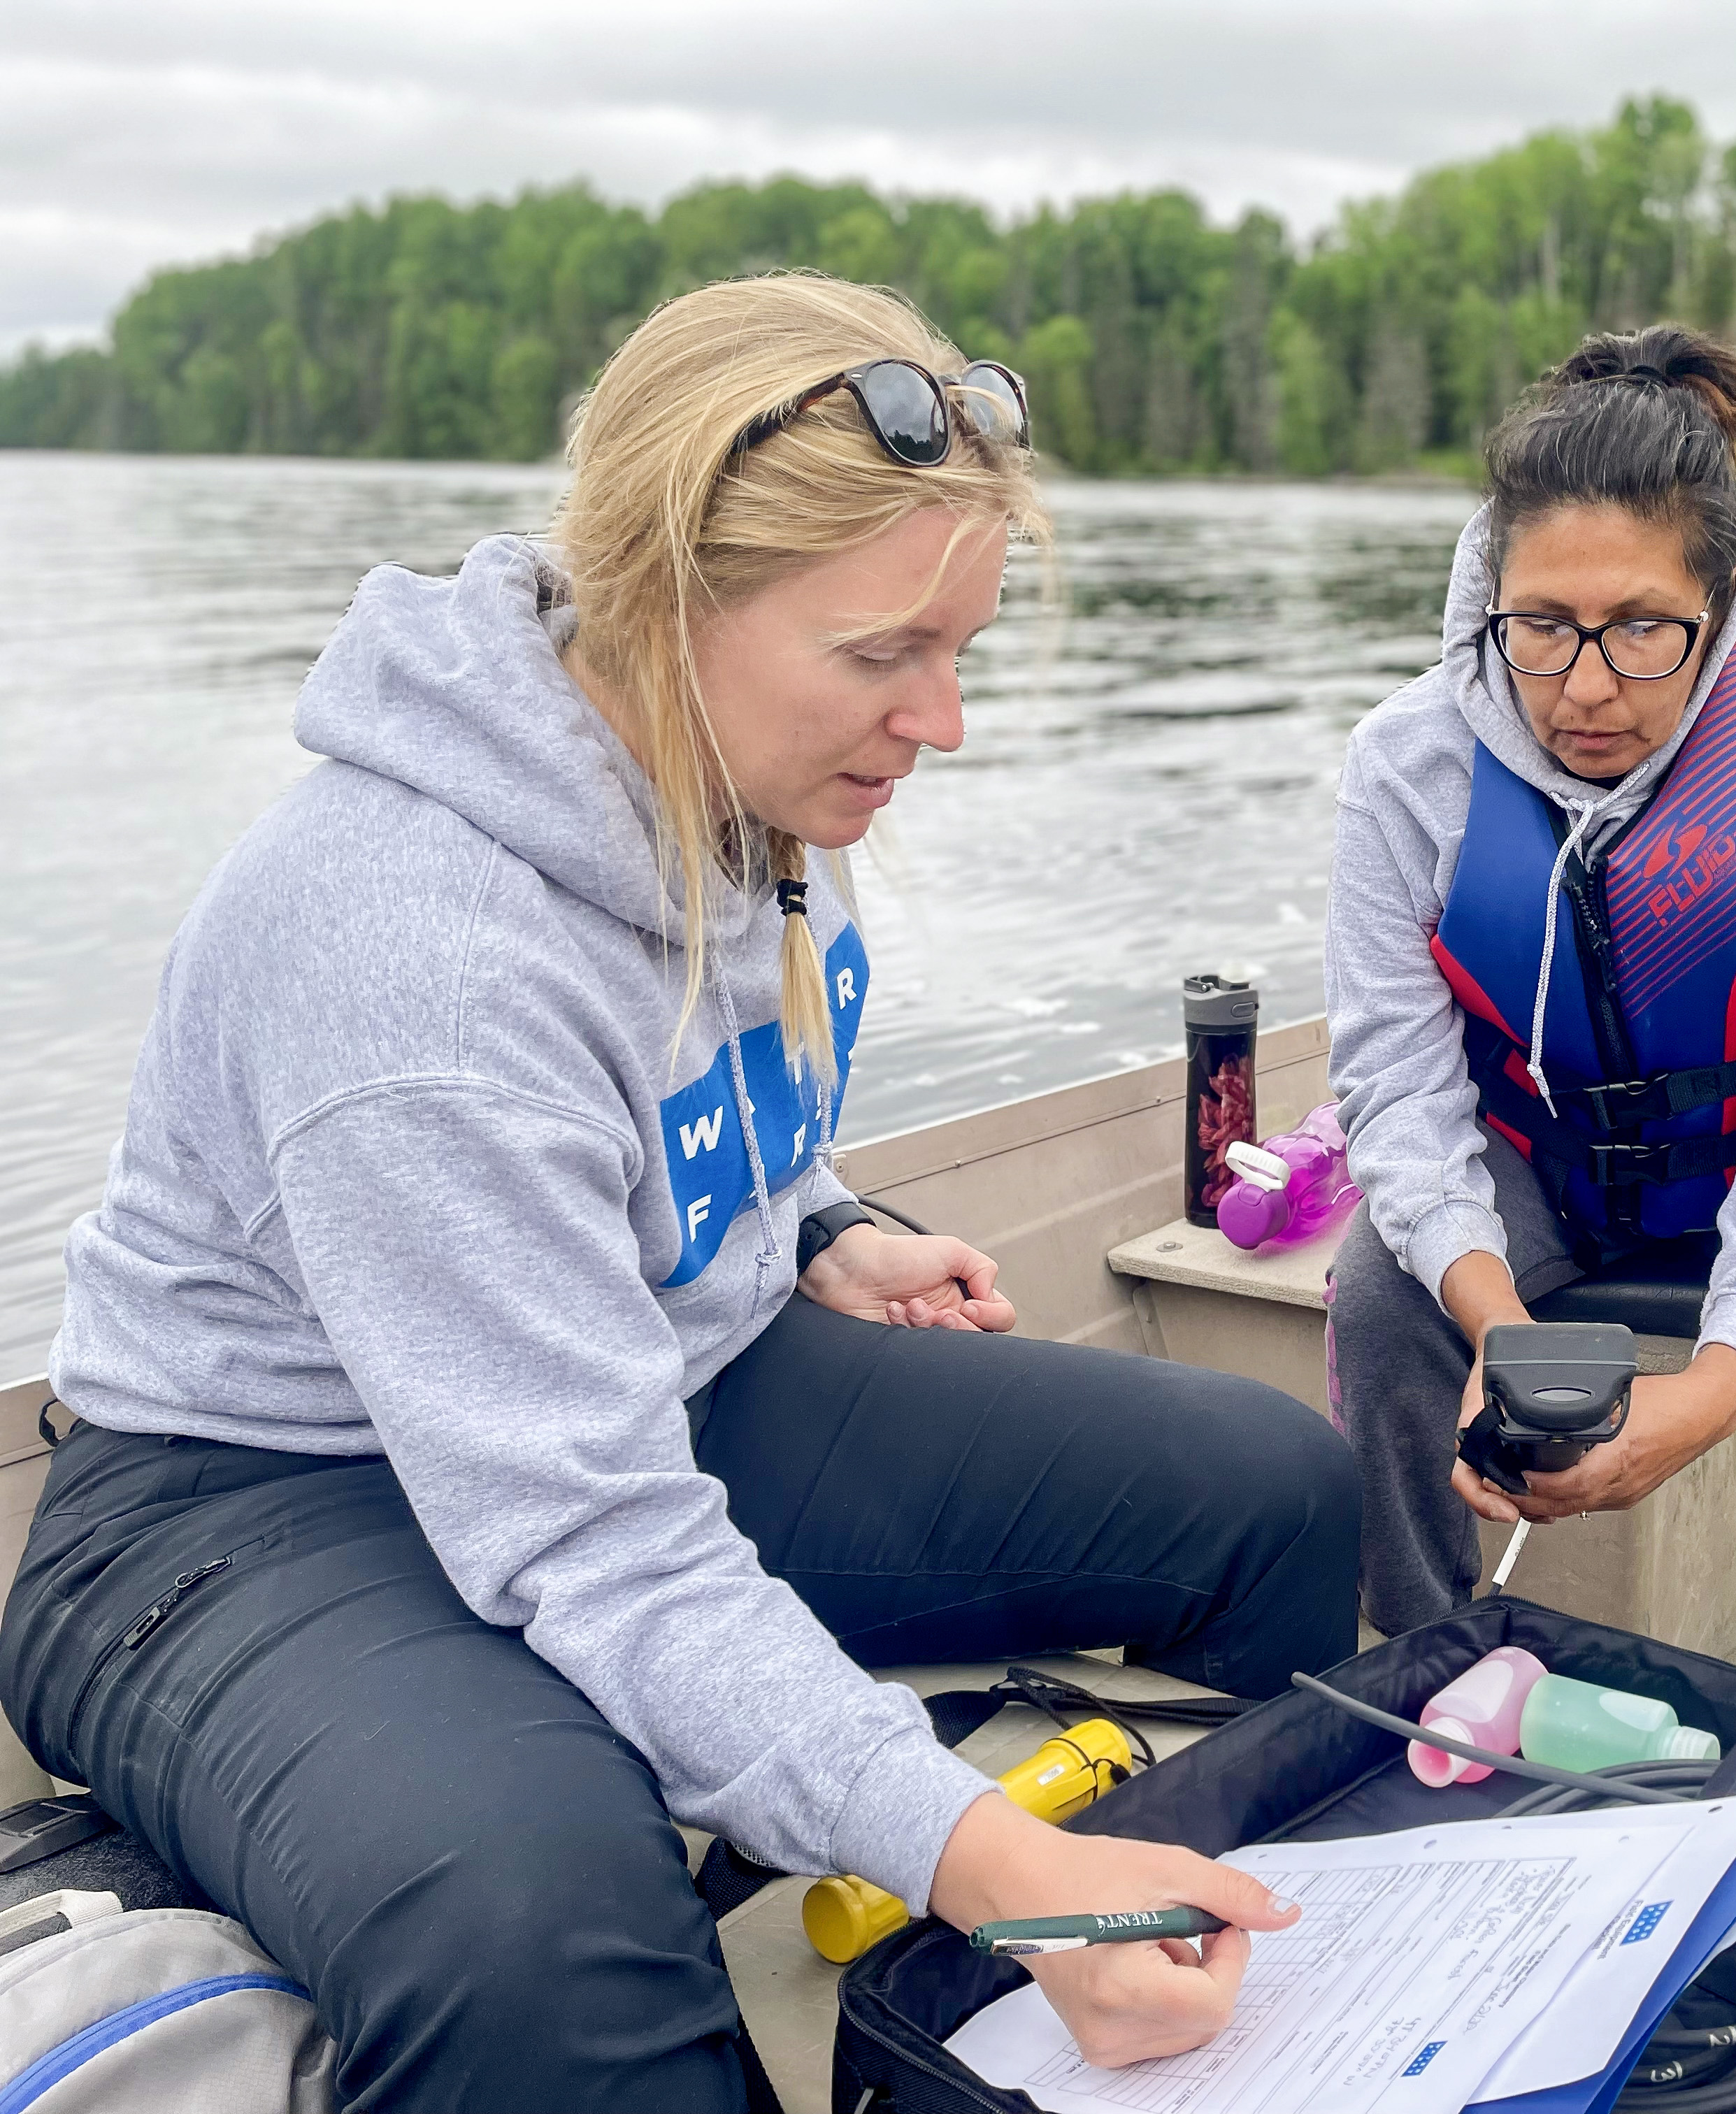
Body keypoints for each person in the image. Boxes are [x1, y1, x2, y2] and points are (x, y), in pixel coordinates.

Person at [1, 274, 1359, 2112]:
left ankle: (1184, 2013)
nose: (938, 721)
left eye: (956, 650)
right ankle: (1026, 1922)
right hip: (248, 1509)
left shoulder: (764, 779)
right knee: (549, 1931)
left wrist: (820, 1222)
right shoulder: (422, 953)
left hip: (654, 1382)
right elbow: (594, 1539)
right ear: (660, 598)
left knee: (1273, 1493)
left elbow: (701, 1111)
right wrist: (993, 1858)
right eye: (885, 655)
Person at [1323, 324, 1736, 1723]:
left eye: (1640, 631)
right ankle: (1423, 1681)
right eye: (1541, 628)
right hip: (1548, 1143)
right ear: (1493, 598)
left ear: (1720, 611)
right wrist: (1489, 1315)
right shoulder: (1405, 770)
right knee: (1381, 1295)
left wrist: (1716, 1392)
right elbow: (1399, 1095)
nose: (1587, 684)